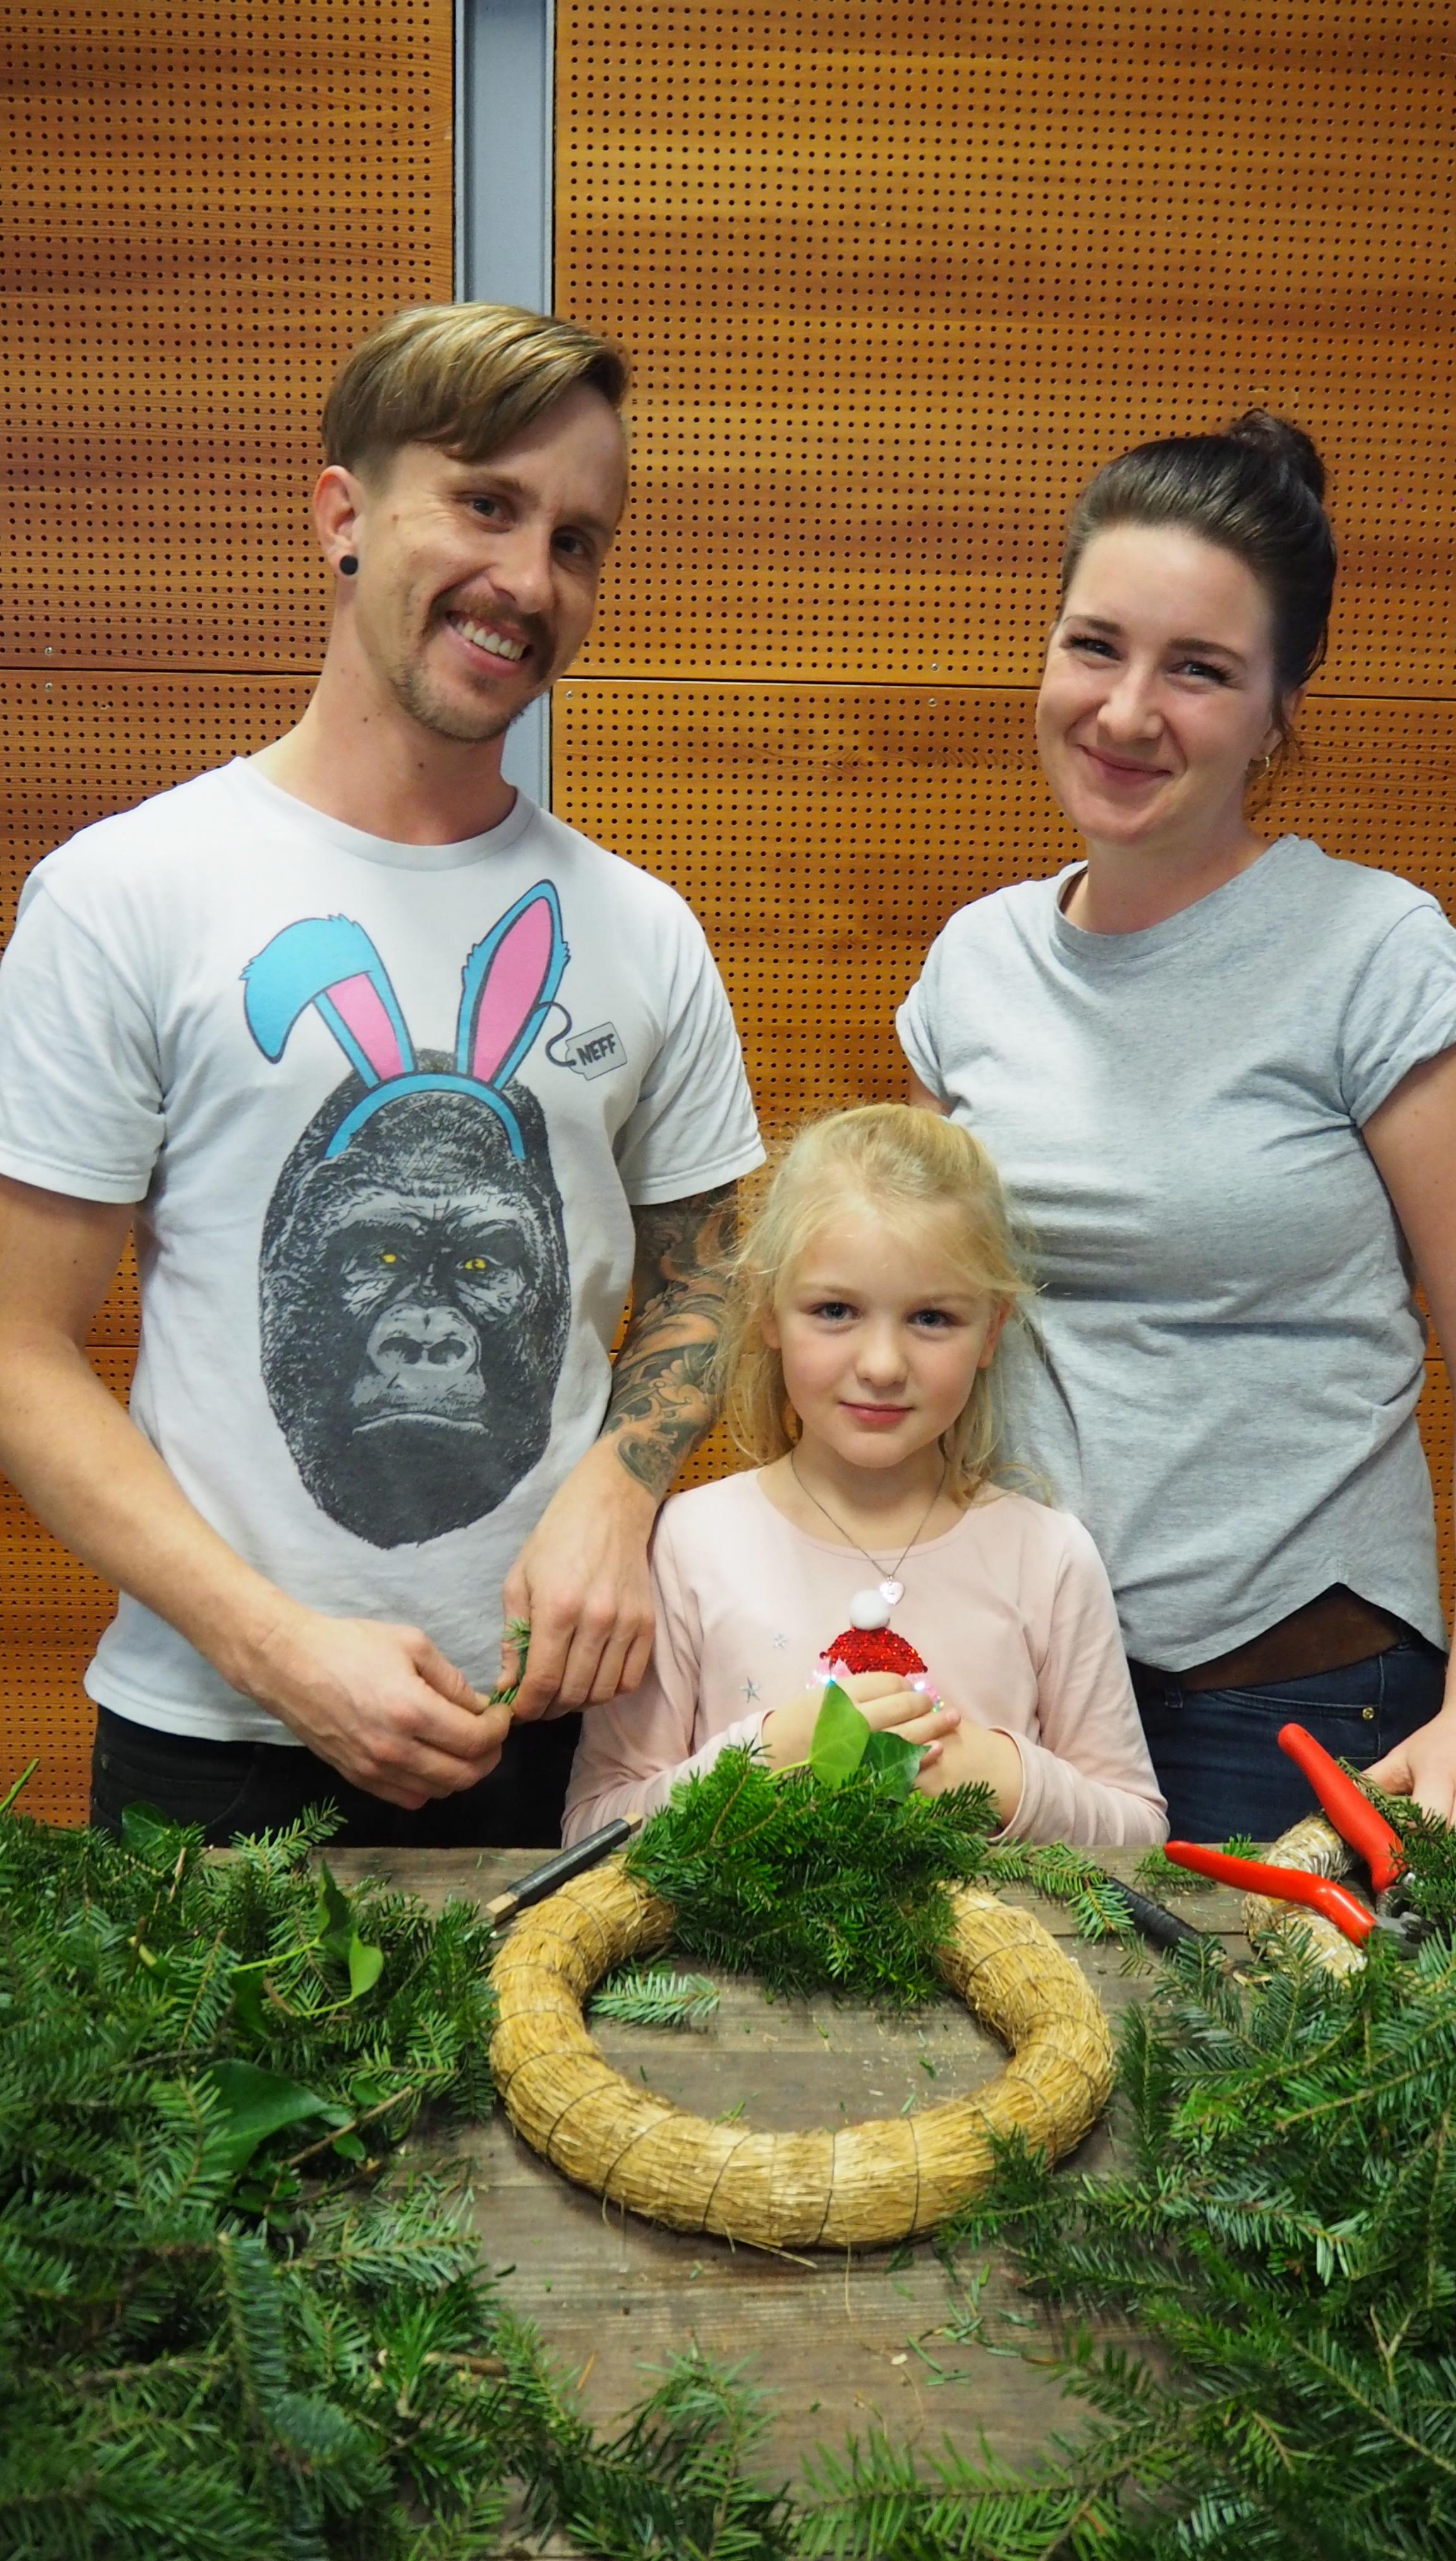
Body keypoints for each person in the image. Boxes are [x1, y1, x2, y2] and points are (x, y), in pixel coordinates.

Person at [0, 301, 763, 1847]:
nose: (528, 580)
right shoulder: (126, 894)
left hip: (563, 1719)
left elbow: (713, 1270)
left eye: (575, 540)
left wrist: (620, 1490)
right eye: (484, 504)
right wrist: (273, 1646)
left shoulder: (643, 930)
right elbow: (17, 1350)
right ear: (342, 514)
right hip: (217, 1730)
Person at [898, 411, 1456, 1841]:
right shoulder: (974, 963)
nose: (1126, 712)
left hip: (1298, 1704)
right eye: (1094, 646)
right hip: (1012, 1697)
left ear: (1277, 709)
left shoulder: (1373, 951)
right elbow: (904, 1319)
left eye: (1198, 669)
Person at [562, 1105, 1165, 1846]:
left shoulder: (1049, 1556)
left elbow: (1139, 1830)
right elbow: (592, 1829)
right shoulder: (688, 1544)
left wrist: (1004, 1778)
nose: (882, 1365)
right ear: (768, 1313)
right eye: (835, 1310)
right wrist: (759, 1763)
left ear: (992, 1331)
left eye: (932, 1318)